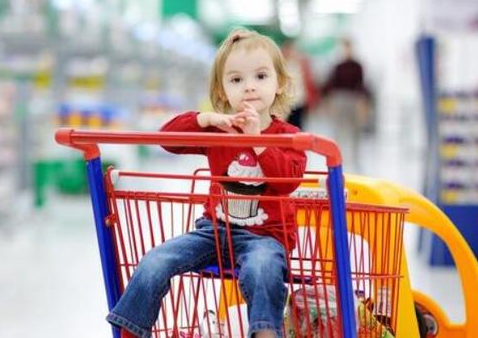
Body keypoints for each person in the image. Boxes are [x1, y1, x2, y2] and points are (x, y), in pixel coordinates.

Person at [106, 28, 308, 338]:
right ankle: (129, 330)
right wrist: (205, 120)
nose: (249, 87)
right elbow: (165, 139)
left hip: (265, 237)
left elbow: (289, 180)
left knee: (263, 270)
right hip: (213, 231)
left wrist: (256, 141)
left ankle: (266, 333)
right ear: (222, 89)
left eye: (261, 76)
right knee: (157, 259)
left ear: (279, 83)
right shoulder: (219, 132)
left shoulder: (289, 136)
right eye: (236, 80)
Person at [321, 38, 372, 171]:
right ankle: (337, 157)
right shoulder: (338, 66)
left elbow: (361, 86)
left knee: (355, 130)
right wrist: (329, 104)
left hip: (353, 100)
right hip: (339, 100)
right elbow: (331, 86)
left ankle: (356, 158)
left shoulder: (357, 66)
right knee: (339, 130)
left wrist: (363, 104)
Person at [282, 38, 319, 130]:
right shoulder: (283, 65)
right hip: (286, 100)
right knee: (287, 123)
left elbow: (309, 82)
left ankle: (298, 142)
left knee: (299, 123)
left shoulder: (302, 65)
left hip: (300, 99)